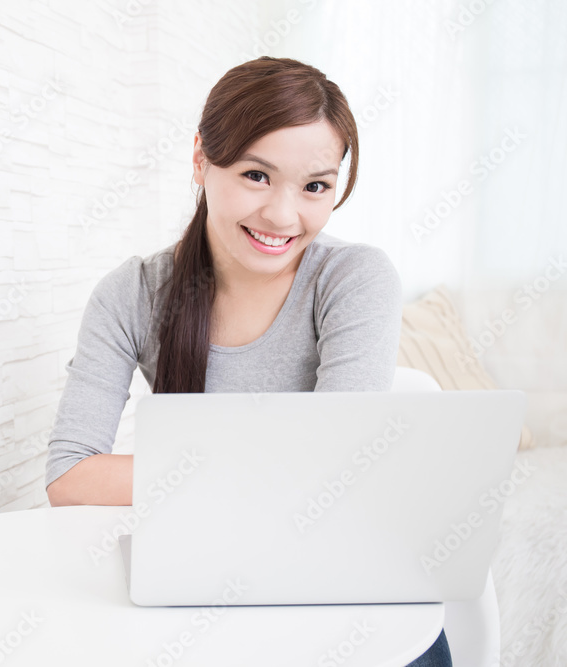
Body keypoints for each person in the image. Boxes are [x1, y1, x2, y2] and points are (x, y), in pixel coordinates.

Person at [43, 56, 452, 665]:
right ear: (201, 160)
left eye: (315, 186)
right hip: (201, 580)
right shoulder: (132, 293)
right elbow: (71, 477)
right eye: (257, 175)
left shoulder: (354, 279)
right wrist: (269, 466)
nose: (284, 217)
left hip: (343, 589)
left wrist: (187, 472)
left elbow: (336, 469)